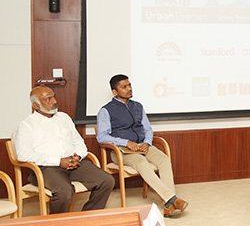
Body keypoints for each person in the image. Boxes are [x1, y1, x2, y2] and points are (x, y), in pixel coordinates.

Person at [97, 74, 188, 218]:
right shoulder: (106, 110)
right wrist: (126, 142)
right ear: (115, 92)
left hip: (142, 146)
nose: (129, 89)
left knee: (164, 159)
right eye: (124, 87)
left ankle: (169, 204)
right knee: (141, 162)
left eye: (129, 85)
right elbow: (101, 137)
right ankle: (172, 200)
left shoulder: (137, 106)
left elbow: (147, 129)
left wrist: (147, 142)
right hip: (121, 151)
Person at [14, 86, 115, 214]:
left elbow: (78, 141)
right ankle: (58, 224)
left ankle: (88, 216)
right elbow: (23, 155)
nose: (54, 101)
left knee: (106, 180)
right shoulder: (27, 125)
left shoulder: (64, 117)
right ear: (36, 105)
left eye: (54, 97)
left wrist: (78, 156)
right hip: (46, 168)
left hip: (74, 163)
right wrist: (58, 161)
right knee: (64, 191)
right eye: (48, 99)